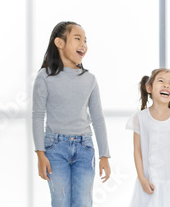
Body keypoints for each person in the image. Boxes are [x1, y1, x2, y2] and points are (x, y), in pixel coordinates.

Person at [32, 21, 111, 206]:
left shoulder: (89, 79)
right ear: (59, 43)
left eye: (85, 40)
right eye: (77, 39)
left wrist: (104, 155)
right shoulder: (44, 77)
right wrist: (40, 153)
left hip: (85, 147)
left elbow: (98, 118)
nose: (83, 44)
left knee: (83, 201)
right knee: (60, 200)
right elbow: (37, 116)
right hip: (55, 148)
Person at [126, 68, 170, 206]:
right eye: (161, 81)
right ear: (149, 88)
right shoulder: (140, 118)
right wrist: (141, 177)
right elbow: (137, 150)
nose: (166, 85)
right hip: (147, 183)